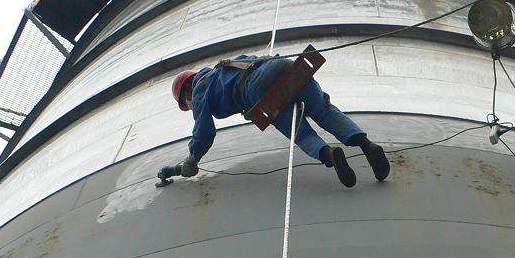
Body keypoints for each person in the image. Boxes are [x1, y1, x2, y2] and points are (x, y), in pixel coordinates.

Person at [158, 54, 390, 187]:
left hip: (257, 88)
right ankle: (366, 145)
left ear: (186, 90)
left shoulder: (199, 87)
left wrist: (192, 159)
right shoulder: (226, 65)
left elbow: (204, 131)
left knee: (300, 131)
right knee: (324, 110)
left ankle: (330, 154)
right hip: (281, 65)